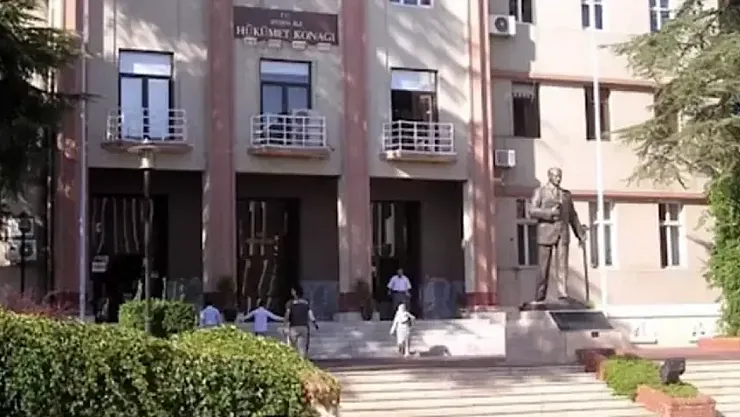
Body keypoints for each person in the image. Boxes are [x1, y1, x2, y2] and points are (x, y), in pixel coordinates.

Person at [527, 167, 586, 304]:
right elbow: (531, 211)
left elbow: (572, 216)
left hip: (562, 233)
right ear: (549, 176)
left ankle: (563, 293)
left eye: (560, 176)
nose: (558, 179)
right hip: (546, 233)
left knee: (562, 265)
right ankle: (540, 295)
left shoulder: (566, 195)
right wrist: (549, 213)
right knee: (543, 267)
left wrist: (580, 234)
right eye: (555, 176)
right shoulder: (540, 192)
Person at [284, 286, 319, 358]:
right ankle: (302, 360)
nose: (291, 292)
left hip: (294, 327)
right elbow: (310, 314)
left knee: (293, 347)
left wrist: (285, 325)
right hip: (304, 327)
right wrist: (314, 323)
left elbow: (287, 314)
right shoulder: (306, 303)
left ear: (295, 292)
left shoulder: (290, 303)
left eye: (292, 291)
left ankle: (294, 360)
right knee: (302, 347)